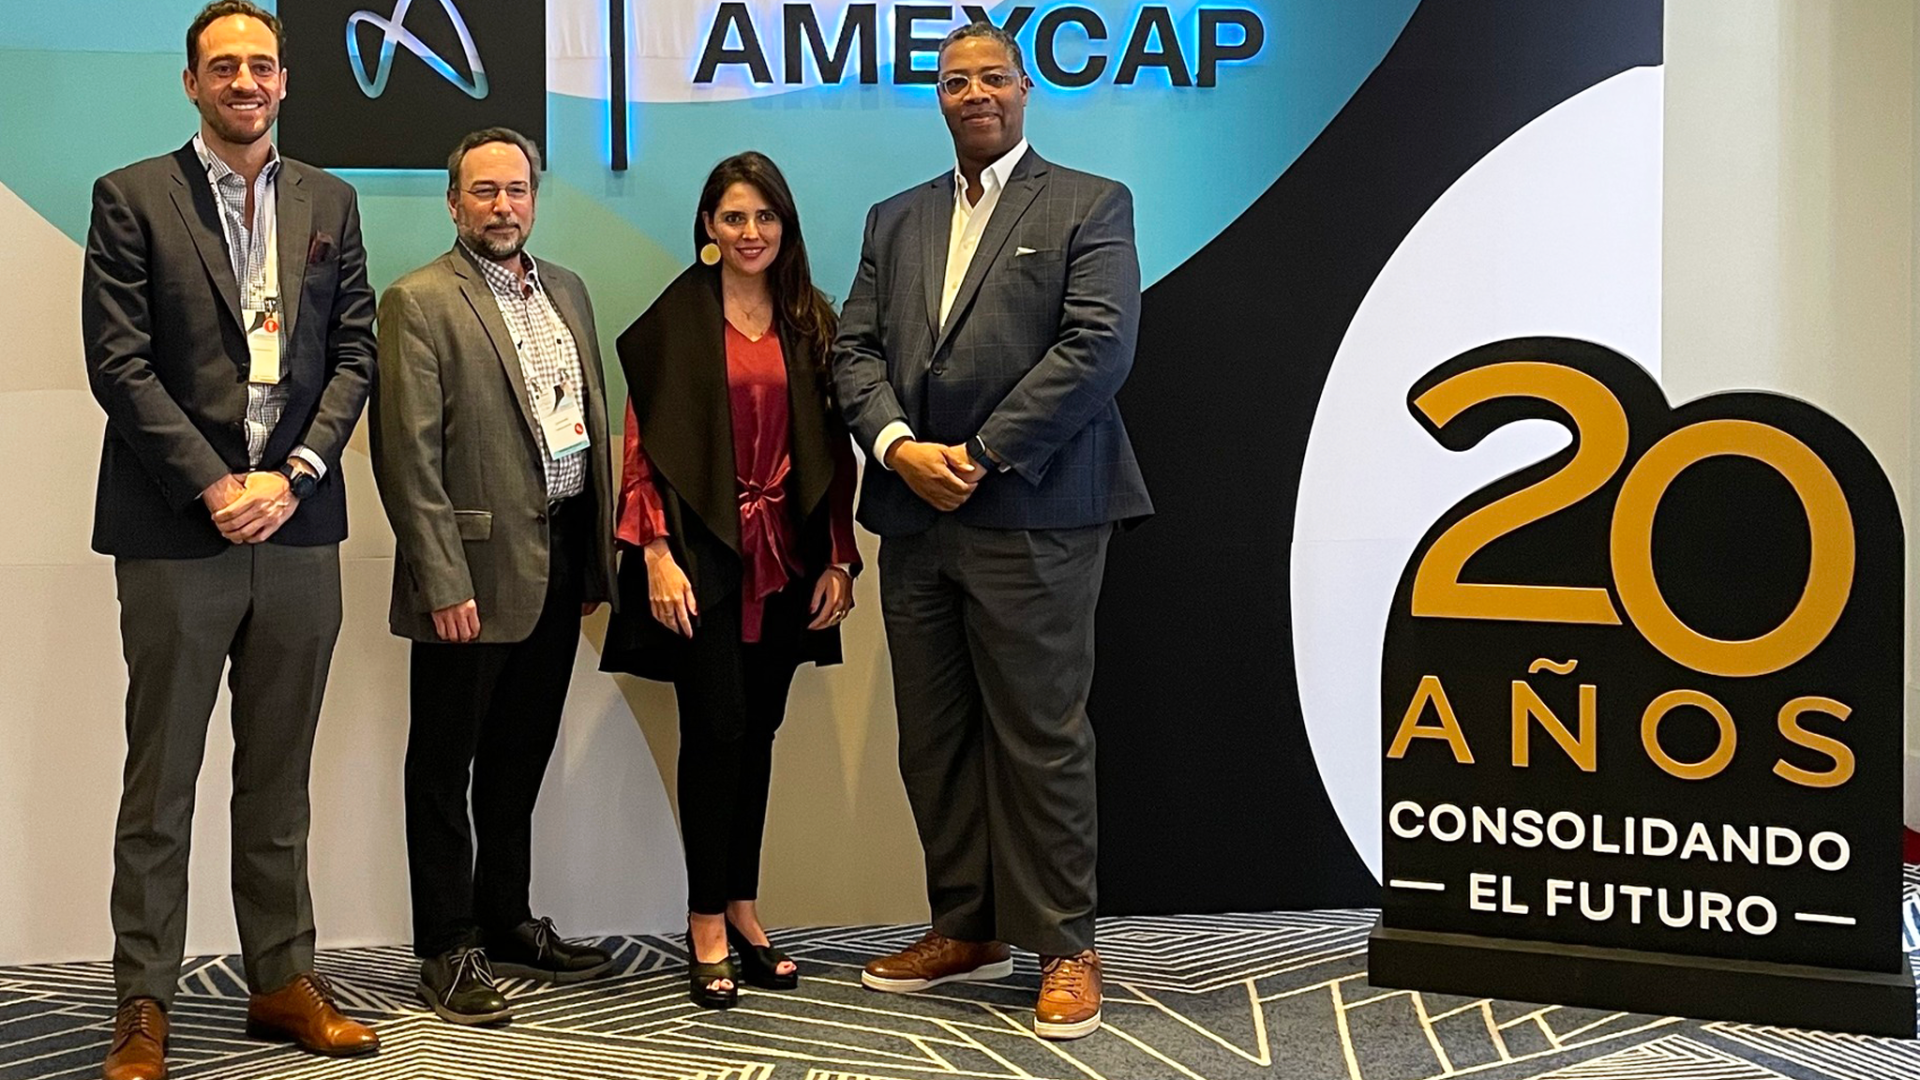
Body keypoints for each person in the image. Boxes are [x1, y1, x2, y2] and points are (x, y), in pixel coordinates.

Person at [830, 22, 1152, 1041]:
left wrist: (977, 454)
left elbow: (1097, 347)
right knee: (933, 738)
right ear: (939, 97)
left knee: (1040, 736)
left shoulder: (1089, 203)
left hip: (1036, 509)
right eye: (955, 80)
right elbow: (855, 351)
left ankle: (1066, 945)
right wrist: (894, 448)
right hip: (914, 514)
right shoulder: (897, 218)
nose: (975, 93)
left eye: (991, 78)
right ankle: (965, 926)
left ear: (1025, 87)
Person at [81, 4, 383, 1077]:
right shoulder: (130, 198)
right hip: (176, 529)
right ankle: (142, 1004)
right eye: (223, 66)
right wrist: (215, 486)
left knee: (279, 775)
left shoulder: (329, 201)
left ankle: (278, 980)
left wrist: (294, 475)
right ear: (191, 83)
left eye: (260, 64)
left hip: (298, 527)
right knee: (160, 779)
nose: (244, 80)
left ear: (286, 81)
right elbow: (119, 365)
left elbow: (355, 352)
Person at [370, 127, 619, 1026]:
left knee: (519, 759)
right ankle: (446, 944)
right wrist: (441, 579)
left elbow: (585, 429)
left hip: (556, 563)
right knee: (443, 767)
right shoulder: (419, 301)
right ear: (452, 201)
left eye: (517, 190)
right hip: (467, 578)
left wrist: (594, 557)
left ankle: (506, 917)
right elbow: (407, 460)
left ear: (534, 198)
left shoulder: (570, 293)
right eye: (484, 191)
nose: (503, 206)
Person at [601, 151, 861, 1009]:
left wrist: (837, 557)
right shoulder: (675, 321)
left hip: (786, 558)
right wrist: (655, 553)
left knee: (759, 735)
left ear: (784, 227)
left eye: (765, 218)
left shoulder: (810, 320)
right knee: (714, 733)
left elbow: (833, 453)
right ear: (708, 228)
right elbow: (643, 446)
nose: (750, 233)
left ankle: (745, 909)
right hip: (703, 557)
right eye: (733, 217)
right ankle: (703, 918)